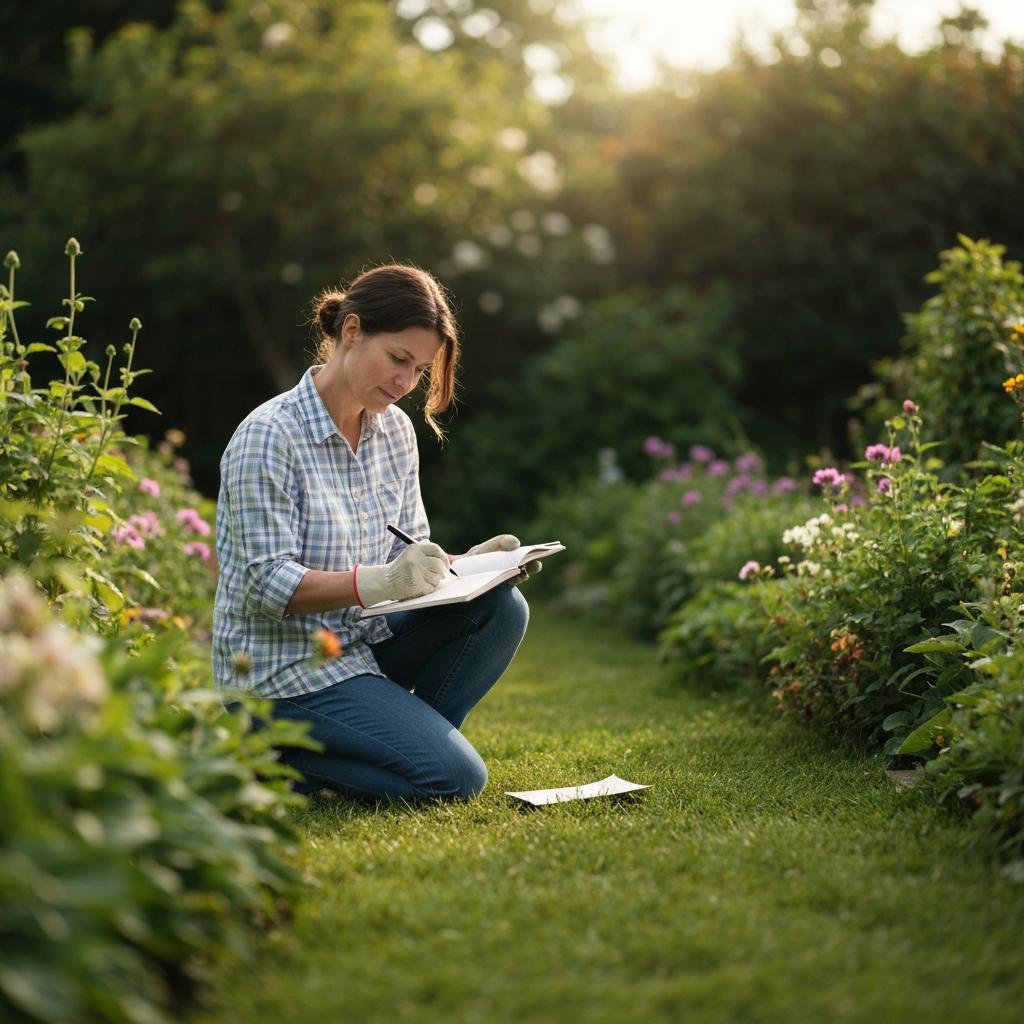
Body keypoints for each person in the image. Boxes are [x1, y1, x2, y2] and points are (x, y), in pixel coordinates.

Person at [212, 265, 539, 800]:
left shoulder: (394, 432)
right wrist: (380, 583)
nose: (407, 383)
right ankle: (276, 754)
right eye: (398, 359)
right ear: (352, 331)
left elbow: (402, 554)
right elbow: (266, 586)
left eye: (421, 369)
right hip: (283, 672)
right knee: (457, 780)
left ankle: (387, 750)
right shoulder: (268, 437)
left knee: (502, 608)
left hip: (363, 646)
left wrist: (471, 565)